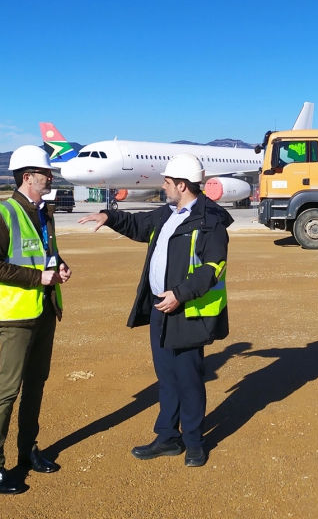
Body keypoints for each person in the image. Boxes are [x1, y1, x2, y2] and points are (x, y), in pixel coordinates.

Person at [78, 153, 233, 467]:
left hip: (188, 312)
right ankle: (167, 438)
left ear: (181, 184)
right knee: (166, 378)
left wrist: (180, 294)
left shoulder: (210, 220)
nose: (162, 186)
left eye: (167, 182)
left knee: (188, 380)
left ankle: (193, 443)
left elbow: (212, 268)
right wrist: (109, 217)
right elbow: (138, 224)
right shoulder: (168, 213)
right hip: (162, 308)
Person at [0, 145, 72, 494]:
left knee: (36, 384)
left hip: (45, 310)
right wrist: (38, 278)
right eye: (45, 173)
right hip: (16, 315)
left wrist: (58, 265)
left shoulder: (43, 213)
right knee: (8, 390)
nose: (50, 176)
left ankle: (27, 450)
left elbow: (44, 254)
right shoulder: (1, 214)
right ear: (26, 176)